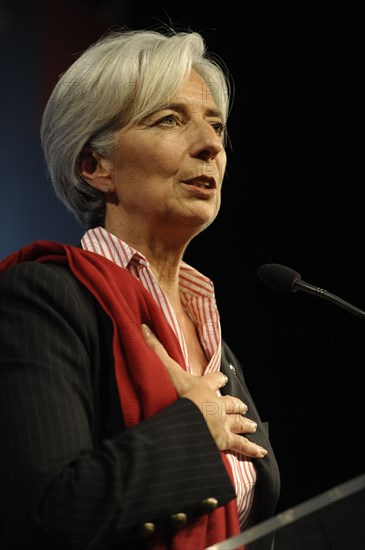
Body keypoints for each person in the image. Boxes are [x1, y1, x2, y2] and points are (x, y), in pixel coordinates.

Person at [0, 27, 280, 550]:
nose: (211, 145)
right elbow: (45, 513)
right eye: (170, 119)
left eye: (216, 126)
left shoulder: (217, 343)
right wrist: (194, 429)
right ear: (95, 166)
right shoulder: (46, 298)